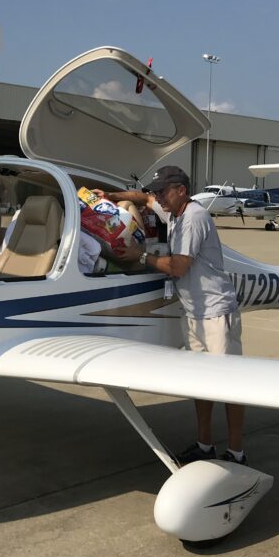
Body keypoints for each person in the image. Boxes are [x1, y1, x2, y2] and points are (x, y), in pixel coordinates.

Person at [100, 166, 247, 466]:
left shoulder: (192, 217)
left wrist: (141, 256)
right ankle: (205, 444)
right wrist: (111, 195)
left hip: (216, 314)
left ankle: (237, 454)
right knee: (200, 383)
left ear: (181, 190)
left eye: (163, 192)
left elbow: (179, 267)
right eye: (158, 192)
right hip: (194, 313)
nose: (158, 198)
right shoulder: (175, 213)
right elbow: (142, 198)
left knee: (231, 386)